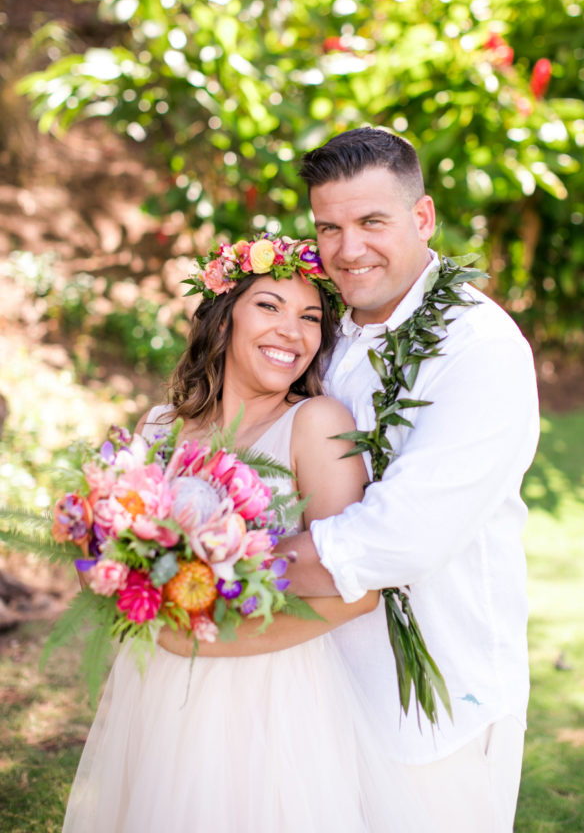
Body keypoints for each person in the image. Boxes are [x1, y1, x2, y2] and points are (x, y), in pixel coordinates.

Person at [61, 236, 424, 833]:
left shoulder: (317, 425)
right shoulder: (158, 428)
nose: (293, 331)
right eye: (270, 306)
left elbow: (358, 591)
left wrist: (208, 644)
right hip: (155, 687)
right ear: (224, 317)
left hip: (272, 698)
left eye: (311, 317)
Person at [274, 126, 541, 833]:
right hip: (311, 676)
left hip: (435, 696)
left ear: (421, 219)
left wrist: (217, 575)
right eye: (328, 227)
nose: (347, 249)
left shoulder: (477, 349)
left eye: (370, 222)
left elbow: (402, 538)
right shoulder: (316, 331)